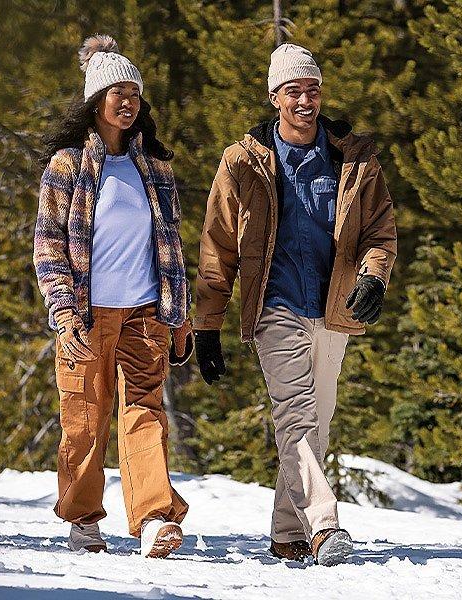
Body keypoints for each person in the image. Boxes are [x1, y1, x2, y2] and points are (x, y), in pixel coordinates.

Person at [193, 43, 397, 566]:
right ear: (274, 97)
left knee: (317, 426)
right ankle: (325, 526)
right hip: (275, 305)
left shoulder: (353, 157)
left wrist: (373, 278)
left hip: (332, 308)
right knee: (295, 417)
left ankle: (287, 533)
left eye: (312, 89)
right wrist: (207, 324)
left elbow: (379, 231)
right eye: (293, 91)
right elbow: (218, 246)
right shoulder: (243, 163)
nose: (305, 99)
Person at [33, 34, 193, 559]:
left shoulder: (156, 169)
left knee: (145, 412)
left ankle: (153, 518)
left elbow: (171, 246)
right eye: (117, 92)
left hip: (145, 311)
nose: (128, 102)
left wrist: (179, 314)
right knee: (84, 417)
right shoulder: (67, 166)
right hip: (86, 313)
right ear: (95, 100)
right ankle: (82, 517)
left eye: (134, 93)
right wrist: (64, 312)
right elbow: (48, 246)